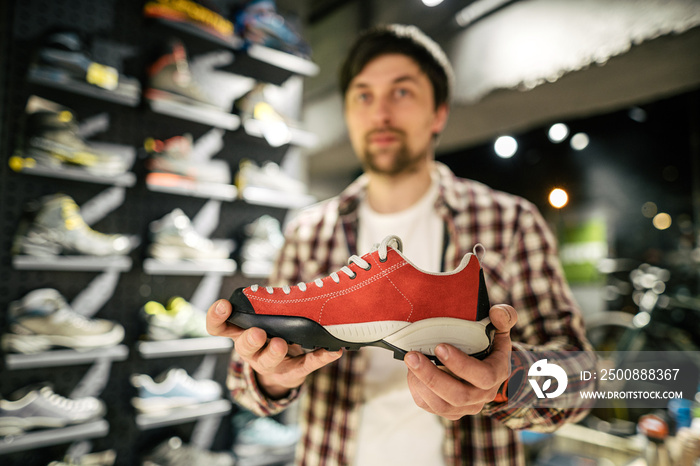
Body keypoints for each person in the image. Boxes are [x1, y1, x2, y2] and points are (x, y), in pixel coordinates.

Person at [207, 24, 594, 466]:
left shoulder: (510, 222)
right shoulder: (308, 230)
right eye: (364, 95)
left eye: (402, 92)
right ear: (349, 111)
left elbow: (583, 381)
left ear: (439, 113)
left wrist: (505, 382)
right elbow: (245, 387)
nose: (381, 113)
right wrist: (271, 373)